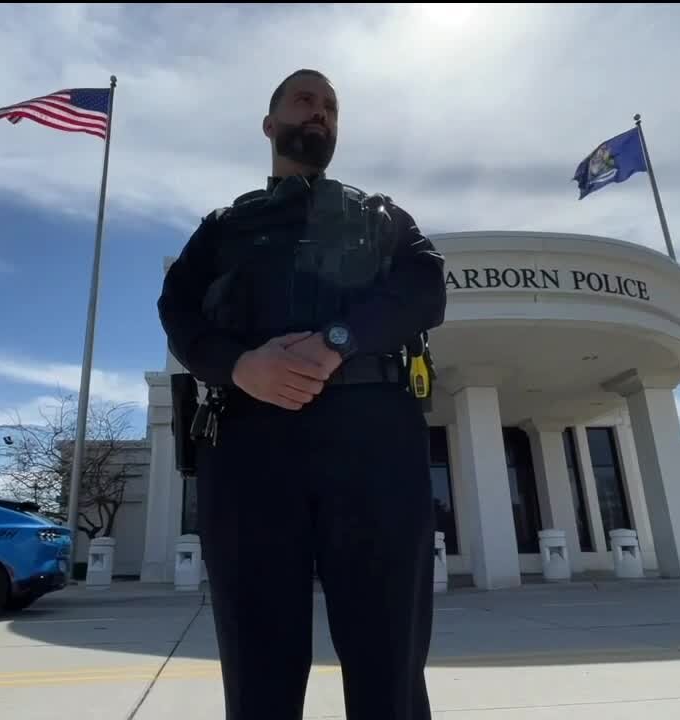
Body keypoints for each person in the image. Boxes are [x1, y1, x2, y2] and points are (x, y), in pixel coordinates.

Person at [157, 68, 446, 720]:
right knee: (259, 668)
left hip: (375, 442)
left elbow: (426, 289)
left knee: (389, 667)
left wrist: (338, 339)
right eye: (306, 99)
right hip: (251, 445)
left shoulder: (382, 216)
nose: (320, 113)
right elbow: (178, 311)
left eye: (332, 107)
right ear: (271, 123)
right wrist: (238, 366)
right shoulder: (225, 227)